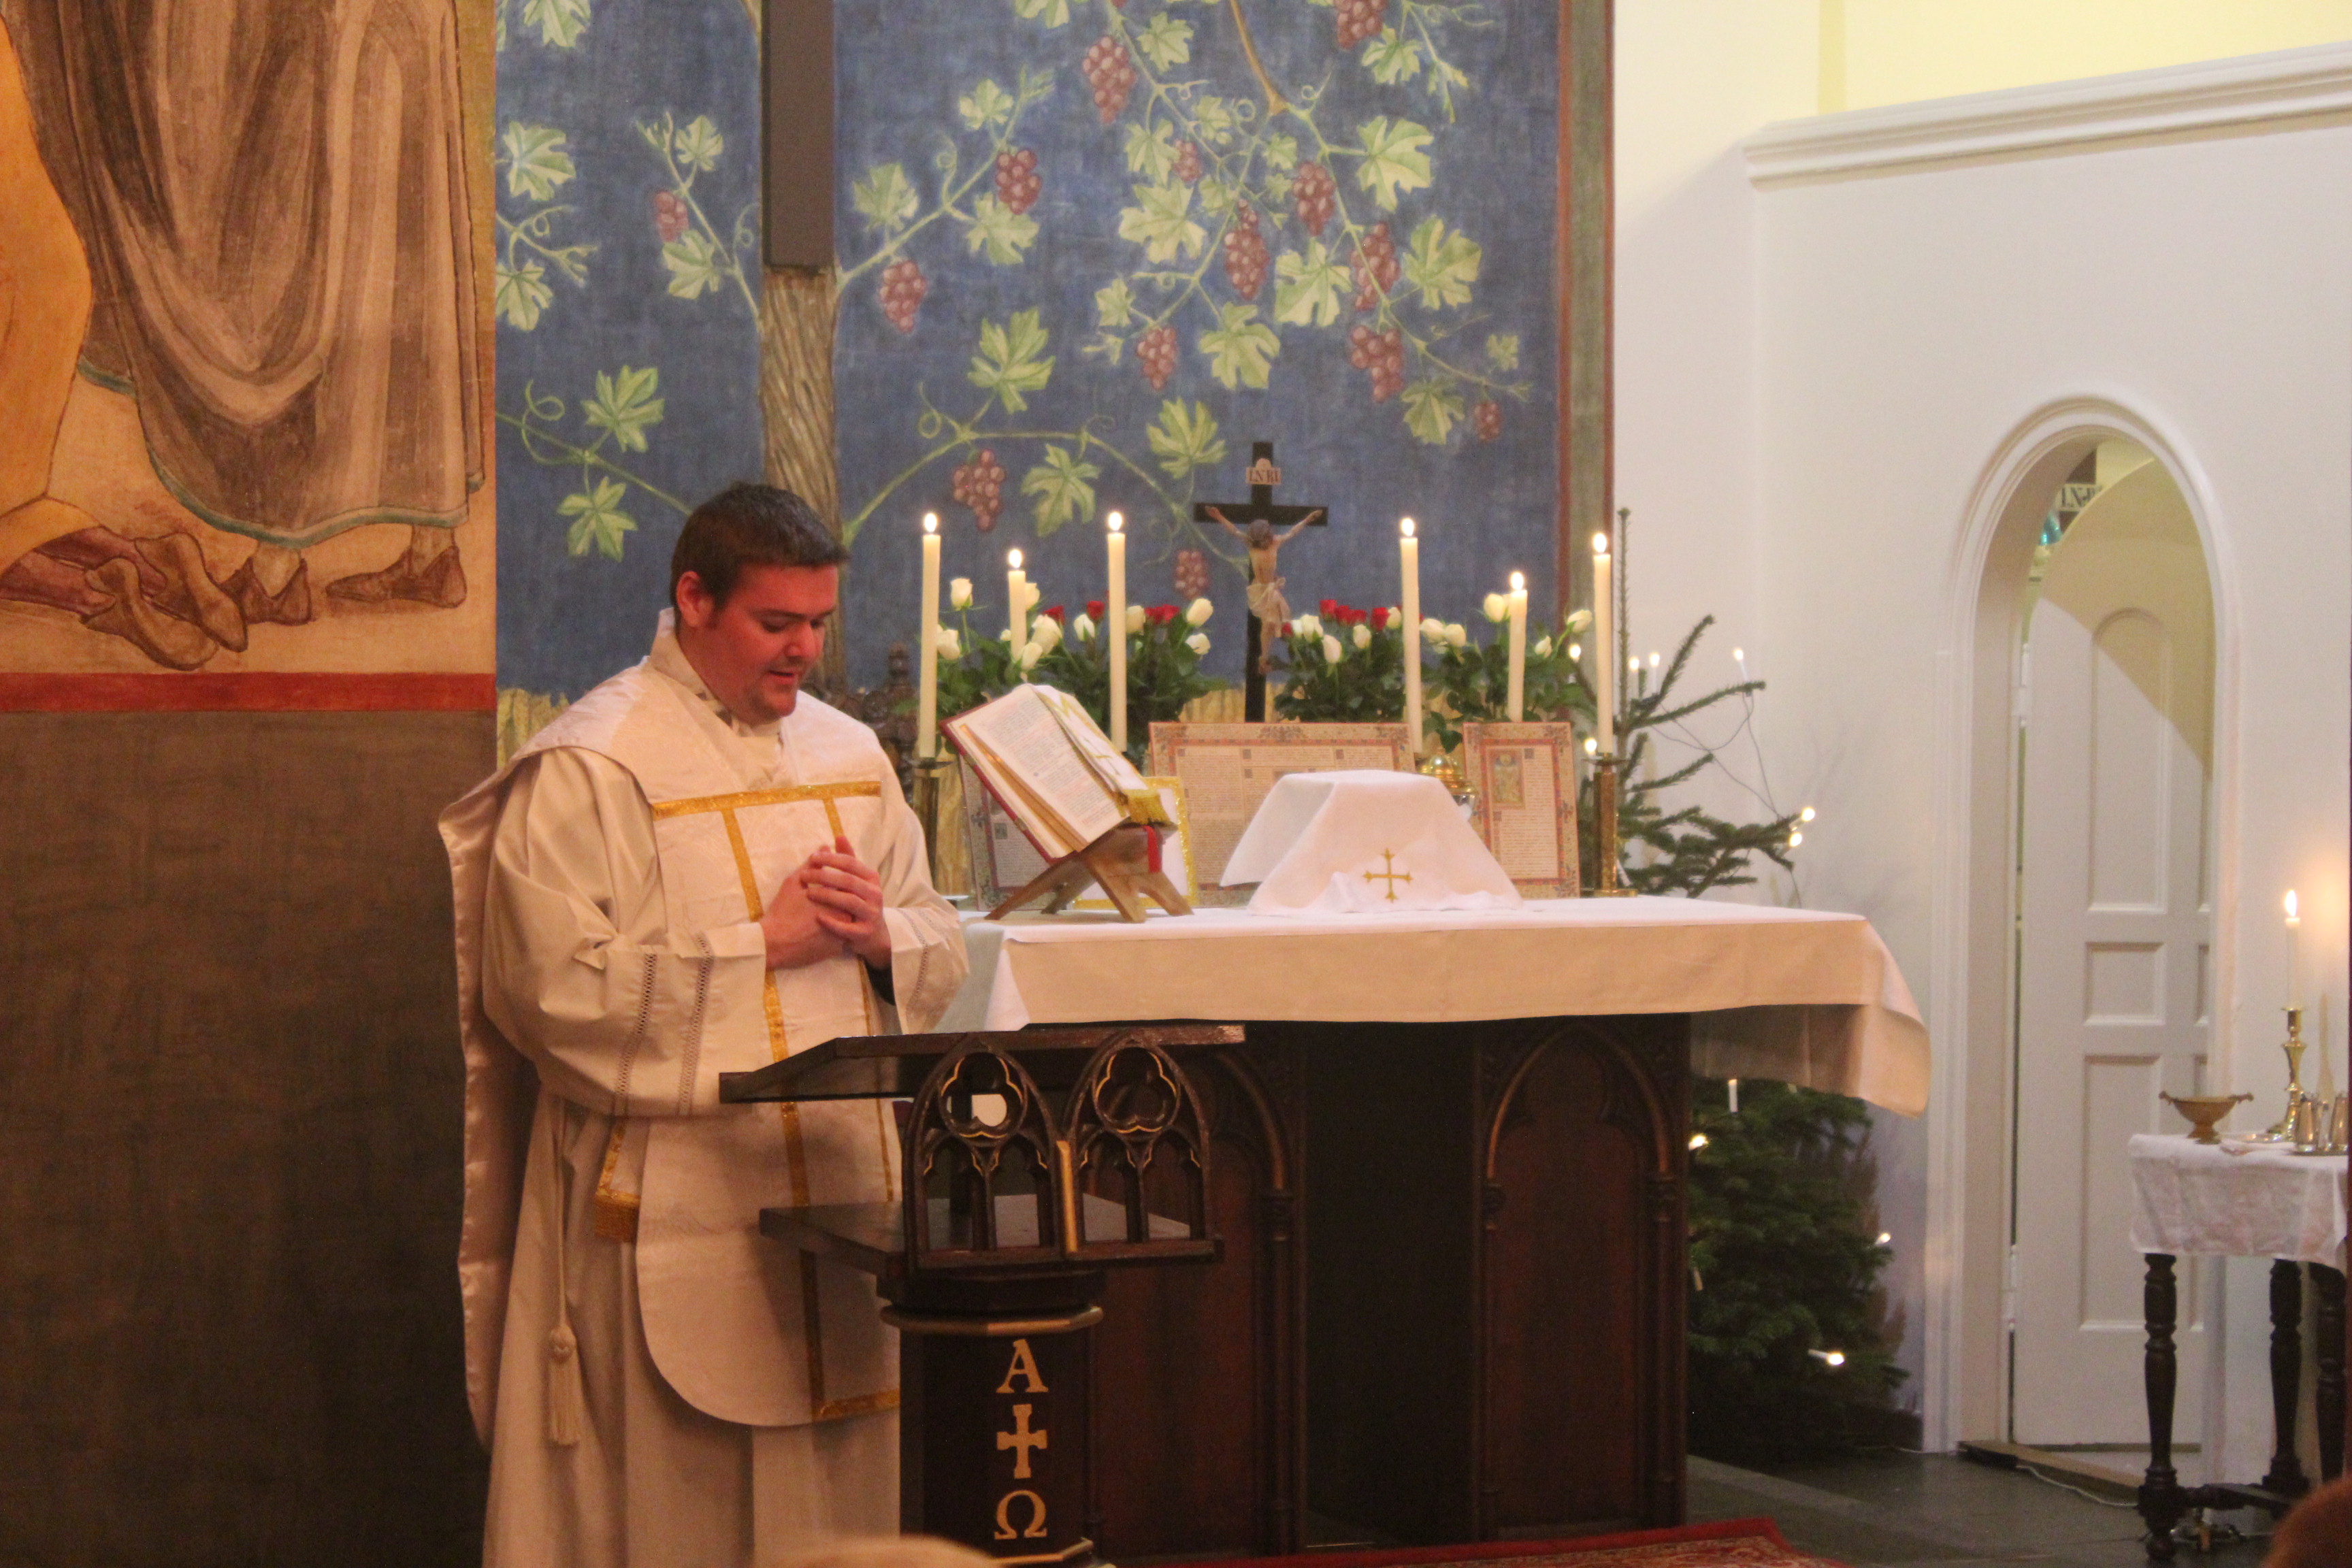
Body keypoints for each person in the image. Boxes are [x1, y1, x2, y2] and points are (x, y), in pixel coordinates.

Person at [440, 484, 969, 1567]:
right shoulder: (595, 765)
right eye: (776, 622)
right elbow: (546, 990)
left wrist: (884, 937)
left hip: (841, 1209)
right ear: (694, 598)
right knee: (678, 1510)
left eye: (817, 622)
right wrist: (759, 946)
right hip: (668, 1206)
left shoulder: (850, 756)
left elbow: (937, 942)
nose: (805, 651)